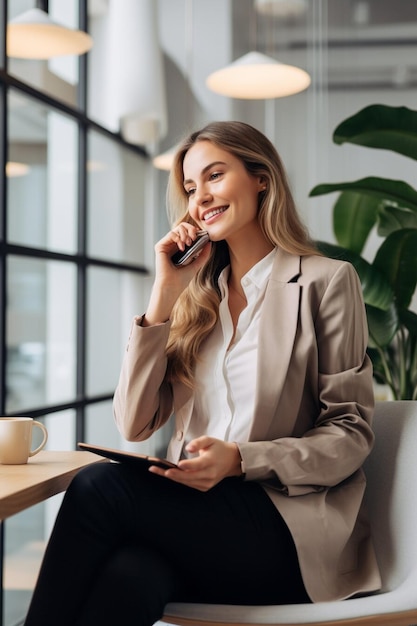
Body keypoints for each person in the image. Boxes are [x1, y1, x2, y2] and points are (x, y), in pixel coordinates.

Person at [24, 121, 381, 626]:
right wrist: (163, 297)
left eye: (215, 176)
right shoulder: (197, 301)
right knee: (131, 576)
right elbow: (134, 422)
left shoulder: (324, 281)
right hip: (198, 518)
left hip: (284, 527)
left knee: (98, 487)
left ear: (261, 178)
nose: (200, 198)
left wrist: (240, 460)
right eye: (191, 188)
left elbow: (350, 433)